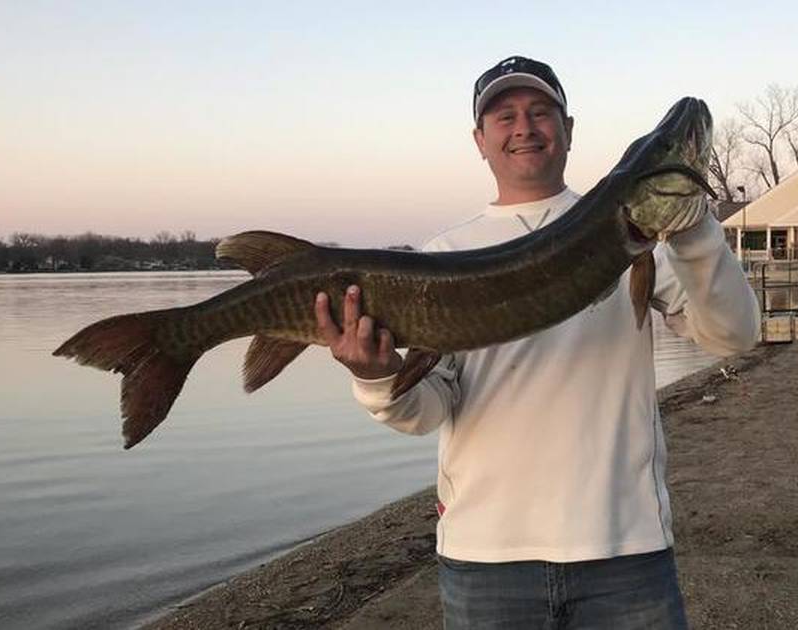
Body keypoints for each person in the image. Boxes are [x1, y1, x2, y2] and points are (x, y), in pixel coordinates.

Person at [314, 56, 760, 629]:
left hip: (625, 553)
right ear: (480, 140)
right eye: (504, 116)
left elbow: (733, 335)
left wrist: (693, 223)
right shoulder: (442, 258)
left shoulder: (640, 244)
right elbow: (428, 411)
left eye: (540, 111)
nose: (524, 126)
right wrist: (375, 377)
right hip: (486, 560)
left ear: (568, 130)